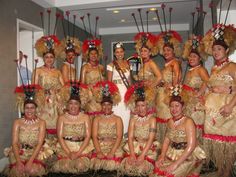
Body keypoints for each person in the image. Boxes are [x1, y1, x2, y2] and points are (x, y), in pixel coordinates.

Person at [202, 23, 236, 177]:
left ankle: (227, 171)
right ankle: (221, 169)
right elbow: (211, 88)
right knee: (219, 142)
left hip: (228, 110)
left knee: (229, 142)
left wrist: (229, 102)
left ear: (227, 50)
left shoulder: (232, 66)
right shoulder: (214, 69)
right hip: (213, 113)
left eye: (219, 49)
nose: (216, 52)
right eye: (214, 49)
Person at [152, 94, 206, 177]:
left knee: (169, 174)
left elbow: (191, 147)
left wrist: (176, 164)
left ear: (183, 107)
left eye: (177, 106)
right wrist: (162, 155)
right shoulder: (170, 121)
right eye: (171, 106)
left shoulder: (188, 121)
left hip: (188, 155)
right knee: (157, 171)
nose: (174, 109)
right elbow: (167, 139)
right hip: (173, 152)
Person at [3, 100, 52, 177]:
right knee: (18, 172)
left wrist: (30, 161)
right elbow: (14, 143)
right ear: (24, 109)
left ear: (36, 109)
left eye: (32, 108)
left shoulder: (42, 122)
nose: (29, 110)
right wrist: (18, 162)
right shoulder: (17, 122)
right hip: (20, 151)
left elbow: (40, 143)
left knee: (32, 171)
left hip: (36, 151)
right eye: (27, 108)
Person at [121, 82, 160, 176]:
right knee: (128, 168)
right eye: (138, 106)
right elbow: (130, 138)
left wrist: (142, 155)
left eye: (143, 105)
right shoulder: (133, 119)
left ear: (147, 106)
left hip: (148, 147)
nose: (140, 108)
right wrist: (132, 154)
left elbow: (151, 139)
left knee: (140, 169)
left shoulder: (152, 119)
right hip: (134, 146)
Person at [52, 94, 93, 173]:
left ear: (79, 105)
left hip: (81, 147)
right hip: (66, 147)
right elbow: (60, 137)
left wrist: (78, 153)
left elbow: (88, 136)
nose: (73, 106)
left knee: (80, 166)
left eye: (76, 103)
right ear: (67, 105)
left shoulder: (85, 117)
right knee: (65, 166)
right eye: (71, 103)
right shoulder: (61, 118)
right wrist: (69, 153)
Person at [34, 35, 65, 137]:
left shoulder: (58, 72)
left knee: (57, 124)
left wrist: (56, 92)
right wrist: (43, 94)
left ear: (54, 58)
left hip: (56, 101)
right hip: (42, 101)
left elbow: (64, 87)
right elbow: (35, 87)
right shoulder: (38, 70)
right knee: (43, 125)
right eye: (47, 57)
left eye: (51, 57)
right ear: (43, 58)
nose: (49, 59)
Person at [182, 35, 209, 143]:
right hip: (189, 103)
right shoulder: (190, 70)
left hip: (196, 105)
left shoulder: (201, 69)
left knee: (195, 127)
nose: (191, 58)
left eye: (194, 56)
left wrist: (200, 93)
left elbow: (208, 81)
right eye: (190, 56)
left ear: (200, 58)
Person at [156, 30, 182, 142]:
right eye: (165, 50)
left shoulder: (175, 63)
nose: (166, 52)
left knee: (167, 120)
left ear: (173, 51)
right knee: (161, 120)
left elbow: (177, 80)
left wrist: (171, 93)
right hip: (161, 96)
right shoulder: (166, 64)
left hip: (167, 97)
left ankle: (169, 144)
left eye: (169, 50)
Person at [91, 82, 124, 171]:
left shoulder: (118, 119)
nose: (106, 107)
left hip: (114, 146)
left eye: (108, 104)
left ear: (112, 105)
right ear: (101, 105)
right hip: (100, 146)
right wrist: (99, 151)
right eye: (104, 104)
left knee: (111, 166)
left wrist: (112, 152)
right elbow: (94, 137)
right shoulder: (96, 119)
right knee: (97, 165)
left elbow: (119, 137)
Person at [107, 42, 131, 135]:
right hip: (116, 93)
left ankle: (125, 135)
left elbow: (129, 81)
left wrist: (131, 93)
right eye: (117, 52)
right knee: (117, 113)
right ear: (114, 53)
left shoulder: (128, 64)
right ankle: (116, 135)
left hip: (126, 92)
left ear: (124, 52)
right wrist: (112, 94)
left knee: (126, 113)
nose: (119, 54)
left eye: (121, 51)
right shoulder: (111, 65)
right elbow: (109, 82)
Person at [80, 39, 104, 117]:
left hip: (100, 96)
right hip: (90, 96)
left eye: (95, 54)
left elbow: (104, 82)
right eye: (91, 54)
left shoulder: (101, 67)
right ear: (88, 55)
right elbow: (82, 84)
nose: (94, 56)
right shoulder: (85, 67)